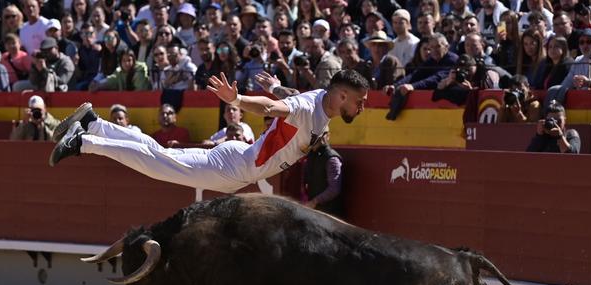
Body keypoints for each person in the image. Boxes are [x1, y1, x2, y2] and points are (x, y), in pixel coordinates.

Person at [48, 69, 369, 194]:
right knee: (155, 163)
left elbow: (289, 96)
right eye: (359, 102)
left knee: (159, 155)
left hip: (238, 159)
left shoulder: (320, 101)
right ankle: (84, 141)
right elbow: (273, 108)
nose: (362, 108)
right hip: (236, 169)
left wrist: (275, 85)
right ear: (342, 96)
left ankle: (94, 123)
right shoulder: (308, 110)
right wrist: (239, 99)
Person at [302, 131, 344, 218]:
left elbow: (334, 189)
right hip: (315, 211)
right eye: (312, 135)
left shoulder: (332, 158)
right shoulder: (311, 155)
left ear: (327, 136)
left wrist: (314, 202)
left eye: (318, 135)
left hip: (328, 212)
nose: (314, 138)